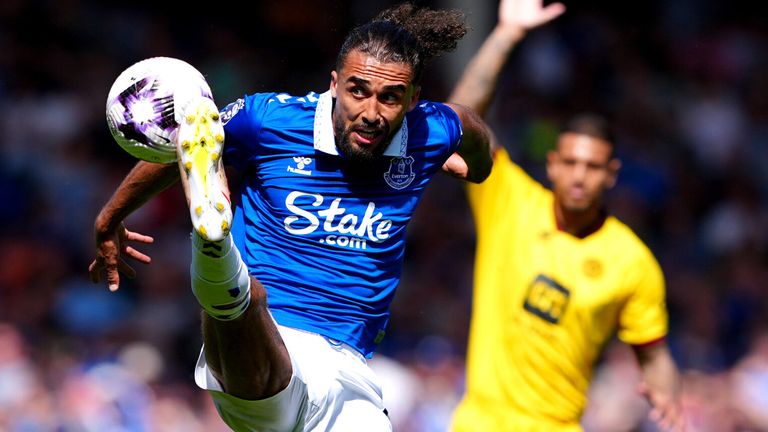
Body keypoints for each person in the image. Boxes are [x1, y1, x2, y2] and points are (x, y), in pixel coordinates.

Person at [88, 3, 492, 431]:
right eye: (358, 90)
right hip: (268, 336)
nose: (371, 112)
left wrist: (474, 168)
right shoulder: (271, 120)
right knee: (253, 328)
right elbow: (180, 145)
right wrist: (110, 216)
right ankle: (215, 245)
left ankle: (220, 257)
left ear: (413, 99)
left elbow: (471, 129)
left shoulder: (433, 130)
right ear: (334, 84)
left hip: (349, 371)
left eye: (389, 97)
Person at [447, 0, 685, 431]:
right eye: (571, 163)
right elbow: (458, 119)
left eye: (593, 167)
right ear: (553, 163)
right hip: (478, 421)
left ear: (611, 174)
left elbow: (653, 353)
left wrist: (665, 391)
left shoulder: (632, 261)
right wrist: (507, 34)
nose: (579, 176)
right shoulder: (510, 199)